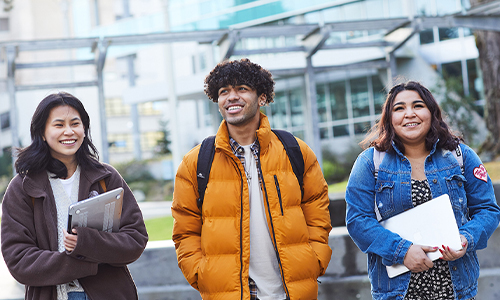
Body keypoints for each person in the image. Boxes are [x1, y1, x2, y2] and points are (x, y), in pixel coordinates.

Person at [171, 58, 332, 300]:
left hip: (292, 291)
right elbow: (185, 231)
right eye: (224, 91)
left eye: (242, 89)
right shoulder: (196, 162)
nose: (231, 97)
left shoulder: (295, 151)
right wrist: (201, 273)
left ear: (262, 97)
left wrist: (314, 260)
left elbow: (318, 214)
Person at [345, 80, 500, 300]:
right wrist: (402, 251)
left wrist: (465, 238)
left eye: (418, 106)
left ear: (432, 113)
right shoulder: (370, 163)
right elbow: (357, 220)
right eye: (399, 108)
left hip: (457, 291)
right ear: (389, 118)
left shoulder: (461, 156)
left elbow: (488, 210)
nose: (409, 114)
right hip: (398, 293)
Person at [1, 92, 148, 300]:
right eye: (59, 125)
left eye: (75, 123)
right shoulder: (23, 187)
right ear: (42, 132)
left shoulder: (106, 177)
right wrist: (85, 261)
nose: (69, 132)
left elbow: (135, 239)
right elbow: (19, 260)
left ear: (84, 129)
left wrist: (86, 242)